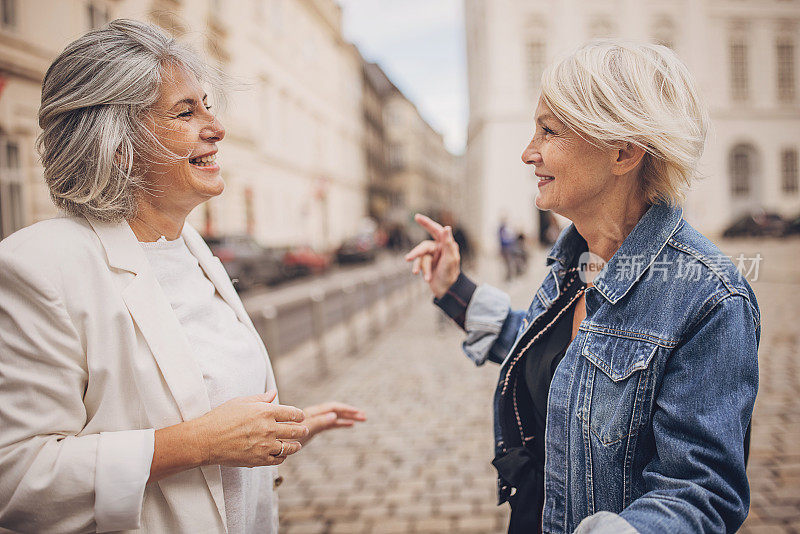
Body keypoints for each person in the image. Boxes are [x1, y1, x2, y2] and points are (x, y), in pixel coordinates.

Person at [0, 20, 365, 533]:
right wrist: (202, 444)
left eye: (207, 105)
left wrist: (275, 430)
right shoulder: (39, 266)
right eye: (185, 111)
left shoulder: (190, 247)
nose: (216, 127)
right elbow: (14, 478)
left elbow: (201, 400)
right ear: (117, 144)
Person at [406, 40, 759, 534]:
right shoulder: (578, 260)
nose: (529, 152)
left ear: (622, 152)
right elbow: (551, 353)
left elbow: (702, 493)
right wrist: (454, 289)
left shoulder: (710, 297)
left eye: (548, 131)